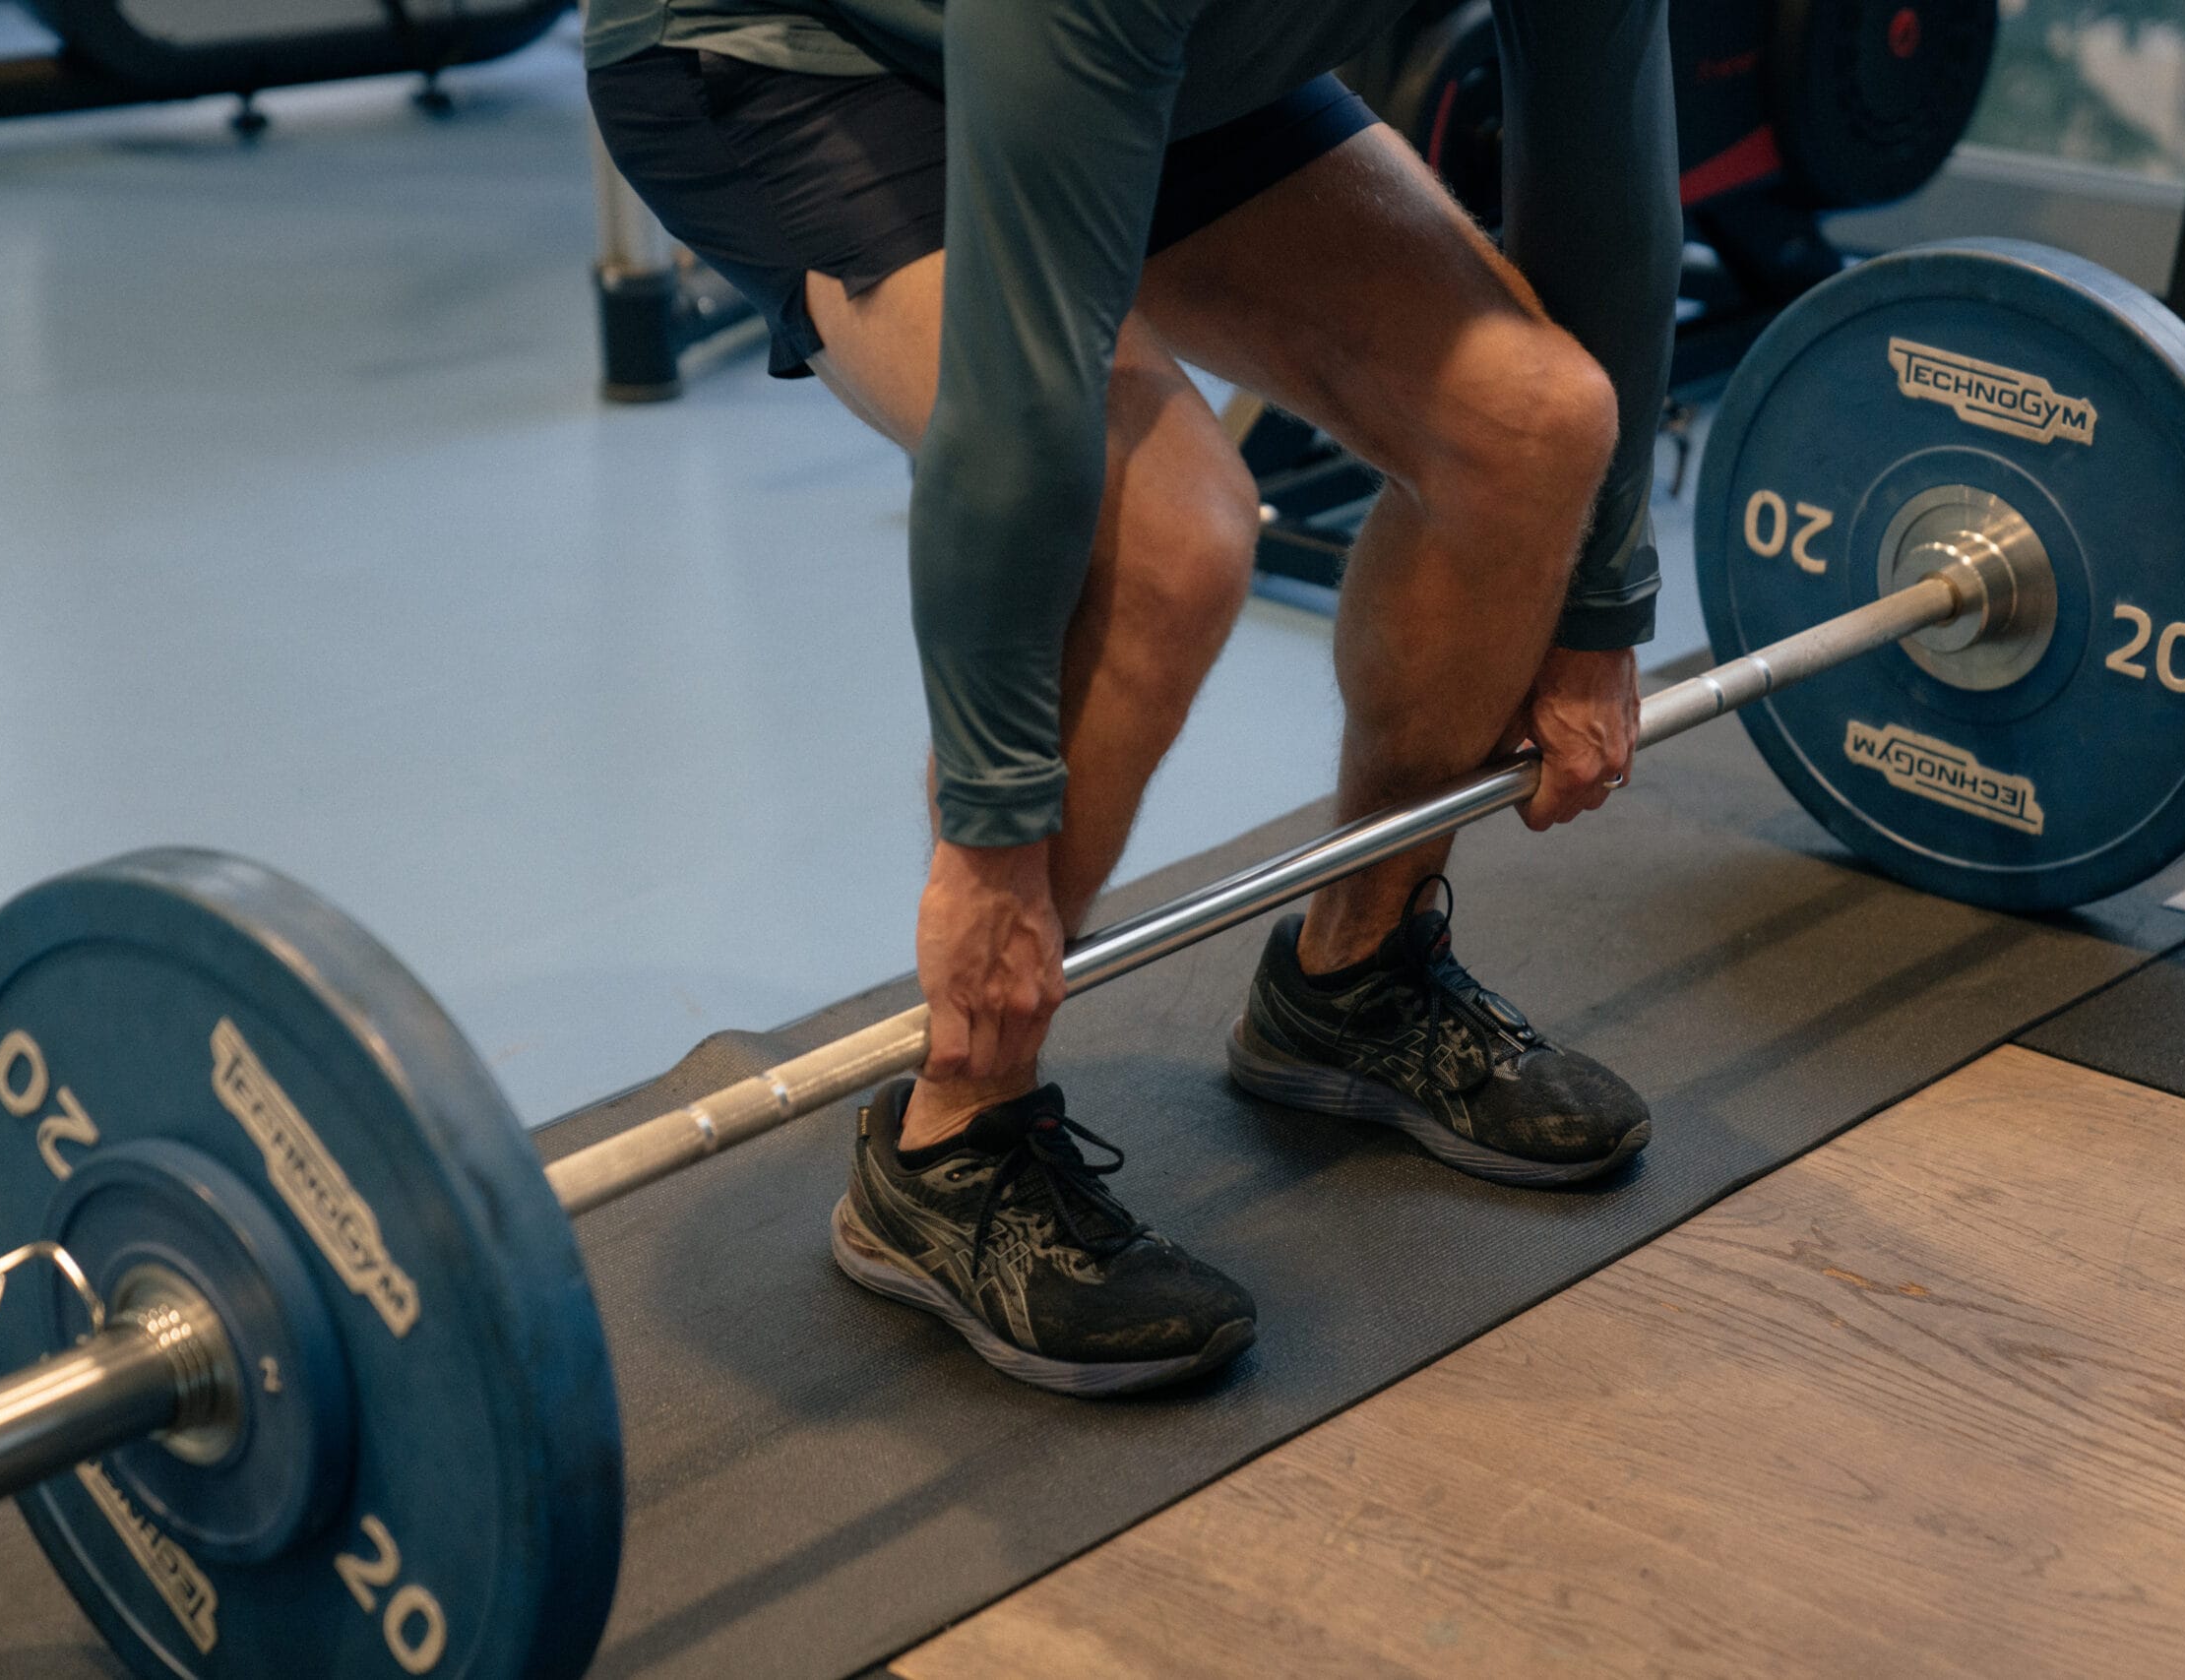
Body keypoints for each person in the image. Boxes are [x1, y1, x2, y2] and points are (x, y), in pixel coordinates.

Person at [584, 0, 1680, 1397]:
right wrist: (991, 845)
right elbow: (1021, 411)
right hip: (801, 51)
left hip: (1146, 60)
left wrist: (1597, 610)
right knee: (1162, 530)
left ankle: (1356, 982)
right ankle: (950, 1148)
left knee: (1536, 426)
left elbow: (1609, 198)